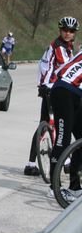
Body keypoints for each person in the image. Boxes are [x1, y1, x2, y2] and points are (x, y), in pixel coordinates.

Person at [24, 17, 77, 176]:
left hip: (47, 87)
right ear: (60, 30)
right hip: (53, 89)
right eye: (65, 30)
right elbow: (68, 68)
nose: (67, 33)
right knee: (65, 123)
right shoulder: (60, 48)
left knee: (45, 123)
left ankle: (31, 164)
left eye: (71, 31)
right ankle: (66, 162)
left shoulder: (64, 46)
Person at [47, 44, 82, 203]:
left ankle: (75, 187)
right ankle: (54, 187)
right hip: (63, 91)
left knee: (81, 139)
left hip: (75, 93)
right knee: (63, 138)